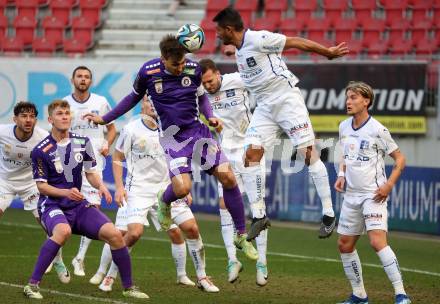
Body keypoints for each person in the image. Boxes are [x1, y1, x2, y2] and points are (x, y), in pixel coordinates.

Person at [83, 34, 260, 260]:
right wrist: (105, 119)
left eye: (183, 62)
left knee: (228, 178)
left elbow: (203, 98)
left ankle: (241, 235)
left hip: (197, 132)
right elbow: (131, 99)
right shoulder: (148, 72)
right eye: (176, 64)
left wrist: (210, 116)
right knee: (183, 189)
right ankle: (164, 201)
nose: (180, 68)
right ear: (164, 58)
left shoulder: (193, 69)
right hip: (172, 138)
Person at [213, 7, 349, 238]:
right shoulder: (238, 47)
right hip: (265, 107)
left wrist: (327, 52)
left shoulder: (259, 38)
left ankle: (328, 213)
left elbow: (295, 42)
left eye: (219, 31)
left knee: (307, 152)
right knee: (251, 155)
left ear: (228, 29)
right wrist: (230, 50)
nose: (216, 35)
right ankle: (259, 215)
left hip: (286, 100)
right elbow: (242, 52)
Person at [90, 96, 219, 292]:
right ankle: (109, 276)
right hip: (138, 190)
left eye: (155, 101)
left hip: (166, 190)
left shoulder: (172, 128)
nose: (152, 105)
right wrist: (119, 187)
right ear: (142, 104)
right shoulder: (131, 129)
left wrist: (183, 188)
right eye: (148, 101)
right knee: (132, 233)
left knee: (191, 228)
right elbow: (117, 156)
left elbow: (180, 159)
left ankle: (202, 276)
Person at [23, 100, 148, 300]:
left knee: (114, 234)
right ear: (50, 119)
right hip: (52, 205)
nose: (64, 116)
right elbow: (41, 186)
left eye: (66, 113)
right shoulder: (41, 150)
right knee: (62, 232)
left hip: (78, 205)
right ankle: (32, 285)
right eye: (59, 113)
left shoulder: (82, 142)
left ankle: (128, 287)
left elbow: (90, 173)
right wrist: (65, 193)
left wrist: (101, 186)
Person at [334, 81, 411, 304]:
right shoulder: (343, 126)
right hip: (351, 195)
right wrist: (341, 173)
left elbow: (400, 159)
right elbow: (344, 153)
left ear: (366, 101)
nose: (348, 101)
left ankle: (401, 294)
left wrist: (389, 185)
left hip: (373, 194)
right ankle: (359, 295)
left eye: (354, 97)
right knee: (344, 244)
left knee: (377, 241)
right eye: (348, 97)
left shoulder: (378, 129)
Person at [199, 58, 269, 286]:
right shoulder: (200, 95)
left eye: (210, 81)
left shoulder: (238, 80)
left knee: (257, 207)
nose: (208, 86)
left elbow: (264, 88)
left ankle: (262, 263)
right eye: (204, 83)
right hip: (224, 154)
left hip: (250, 150)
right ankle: (232, 260)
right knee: (224, 205)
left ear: (218, 74)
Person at [0, 101, 70, 284]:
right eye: (24, 116)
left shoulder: (42, 137)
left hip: (31, 184)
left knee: (49, 225)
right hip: (4, 182)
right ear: (15, 119)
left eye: (32, 116)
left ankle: (58, 260)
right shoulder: (3, 132)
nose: (28, 120)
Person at [63, 66, 117, 277]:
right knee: (62, 209)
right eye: (79, 76)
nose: (83, 79)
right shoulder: (65, 103)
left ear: (91, 81)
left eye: (87, 77)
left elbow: (111, 128)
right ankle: (55, 256)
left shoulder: (101, 102)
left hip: (93, 163)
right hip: (68, 163)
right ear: (73, 79)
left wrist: (107, 144)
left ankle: (79, 258)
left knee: (92, 208)